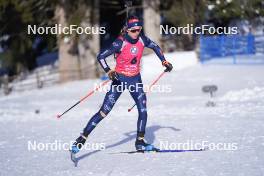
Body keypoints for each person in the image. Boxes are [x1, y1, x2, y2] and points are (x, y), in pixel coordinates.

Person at [70, 15, 173, 153]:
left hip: (135, 80)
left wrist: (164, 61)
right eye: (134, 30)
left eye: (139, 29)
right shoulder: (120, 42)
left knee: (143, 110)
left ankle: (140, 142)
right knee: (104, 112)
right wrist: (108, 71)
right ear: (127, 30)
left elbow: (155, 46)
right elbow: (100, 56)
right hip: (119, 80)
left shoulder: (142, 39)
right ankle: (81, 139)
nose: (137, 33)